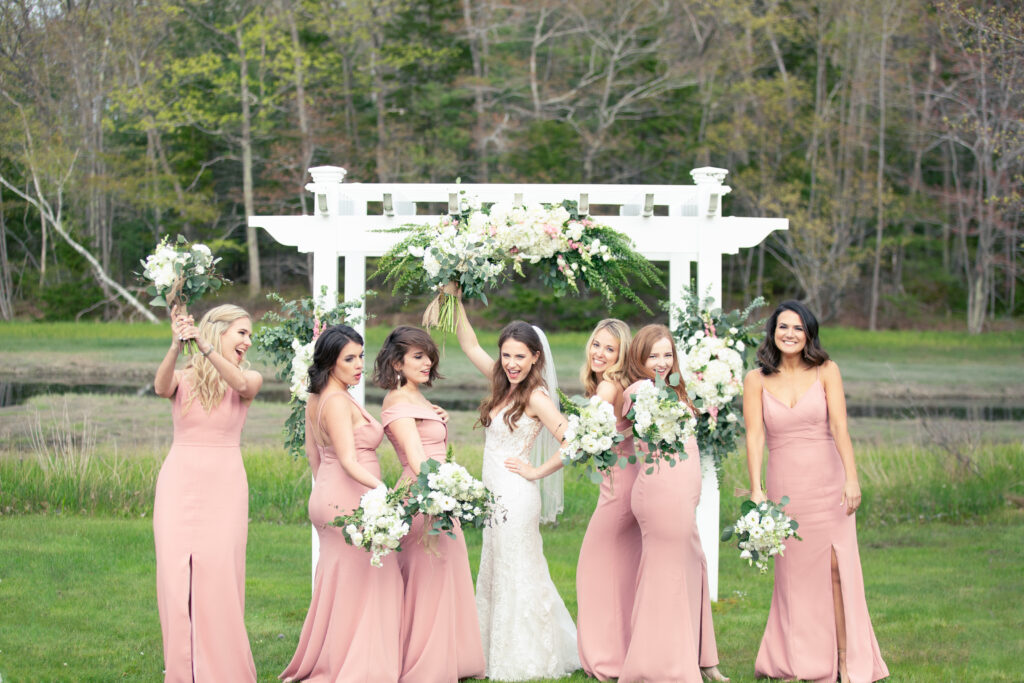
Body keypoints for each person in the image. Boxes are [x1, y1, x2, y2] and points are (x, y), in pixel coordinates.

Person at [743, 301, 888, 683]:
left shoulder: (827, 371)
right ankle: (797, 658)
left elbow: (841, 427)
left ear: (809, 333)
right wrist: (756, 489)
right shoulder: (755, 379)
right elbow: (755, 436)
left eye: (798, 328)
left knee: (838, 569)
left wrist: (852, 478)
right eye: (782, 327)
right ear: (772, 332)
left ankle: (844, 659)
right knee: (794, 576)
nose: (789, 334)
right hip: (785, 488)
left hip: (828, 483)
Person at [451, 297, 580, 681]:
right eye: (506, 355)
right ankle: (489, 652)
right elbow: (470, 345)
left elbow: (573, 442)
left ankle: (525, 658)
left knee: (517, 571)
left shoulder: (537, 396)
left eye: (520, 357)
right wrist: (455, 301)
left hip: (517, 494)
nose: (512, 363)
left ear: (536, 357)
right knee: (496, 569)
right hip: (494, 496)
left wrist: (538, 470)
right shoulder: (501, 382)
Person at [280, 325, 403, 683]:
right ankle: (359, 664)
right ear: (331, 362)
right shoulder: (334, 401)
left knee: (342, 583)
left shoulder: (319, 396)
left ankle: (337, 658)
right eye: (349, 358)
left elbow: (313, 455)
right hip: (350, 495)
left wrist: (324, 492)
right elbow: (348, 460)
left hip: (331, 492)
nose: (359, 364)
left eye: (361, 356)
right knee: (370, 578)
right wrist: (383, 491)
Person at [153, 304, 263, 682]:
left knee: (219, 577)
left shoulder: (249, 379)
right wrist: (175, 345)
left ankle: (223, 671)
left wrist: (203, 347)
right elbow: (160, 387)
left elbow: (240, 385)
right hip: (178, 482)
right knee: (173, 577)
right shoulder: (183, 378)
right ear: (218, 330)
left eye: (249, 335)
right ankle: (183, 672)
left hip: (225, 484)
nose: (248, 342)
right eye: (242, 333)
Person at [375, 325, 486, 682]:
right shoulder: (397, 401)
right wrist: (453, 489)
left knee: (444, 575)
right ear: (396, 362)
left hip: (439, 492)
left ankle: (449, 658)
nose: (428, 362)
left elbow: (430, 442)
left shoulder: (418, 398)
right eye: (418, 356)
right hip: (422, 494)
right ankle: (424, 665)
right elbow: (418, 458)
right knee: (428, 577)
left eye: (429, 355)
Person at [619, 324, 728, 683]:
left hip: (682, 495)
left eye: (667, 354)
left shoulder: (671, 389)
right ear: (639, 358)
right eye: (653, 356)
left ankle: (701, 656)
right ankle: (661, 664)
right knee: (665, 574)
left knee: (692, 564)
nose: (661, 362)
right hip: (661, 493)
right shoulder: (640, 391)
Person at [574, 319, 642, 681]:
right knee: (622, 572)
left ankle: (605, 660)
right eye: (596, 345)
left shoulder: (608, 388)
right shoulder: (618, 385)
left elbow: (582, 436)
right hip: (624, 484)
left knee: (593, 570)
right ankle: (624, 651)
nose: (599, 353)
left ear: (621, 355)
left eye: (609, 349)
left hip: (619, 489)